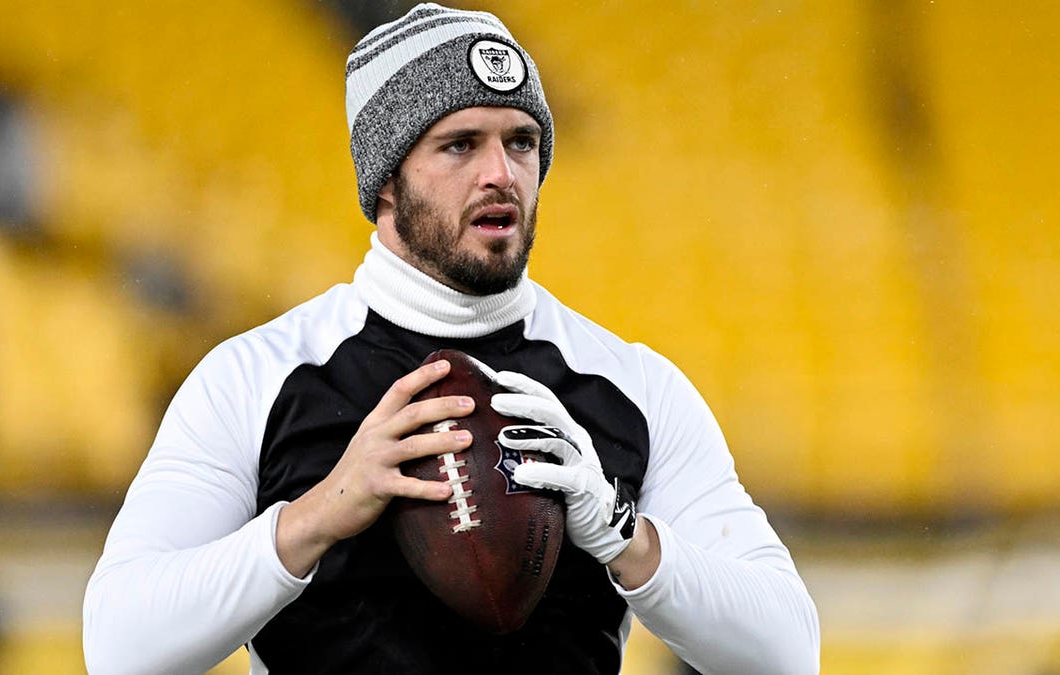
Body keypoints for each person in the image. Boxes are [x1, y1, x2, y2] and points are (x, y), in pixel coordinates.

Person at [82, 4, 820, 674]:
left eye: (522, 142)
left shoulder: (629, 385)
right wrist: (320, 513)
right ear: (386, 183)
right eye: (460, 144)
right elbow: (119, 646)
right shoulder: (257, 377)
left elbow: (788, 652)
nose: (501, 174)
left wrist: (621, 531)